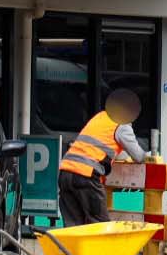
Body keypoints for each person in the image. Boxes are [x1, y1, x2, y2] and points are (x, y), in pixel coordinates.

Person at [59, 88, 146, 227]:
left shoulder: (101, 117)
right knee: (99, 225)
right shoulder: (121, 125)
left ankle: (71, 250)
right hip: (86, 176)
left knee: (73, 227)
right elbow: (139, 156)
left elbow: (103, 145)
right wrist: (150, 156)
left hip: (65, 172)